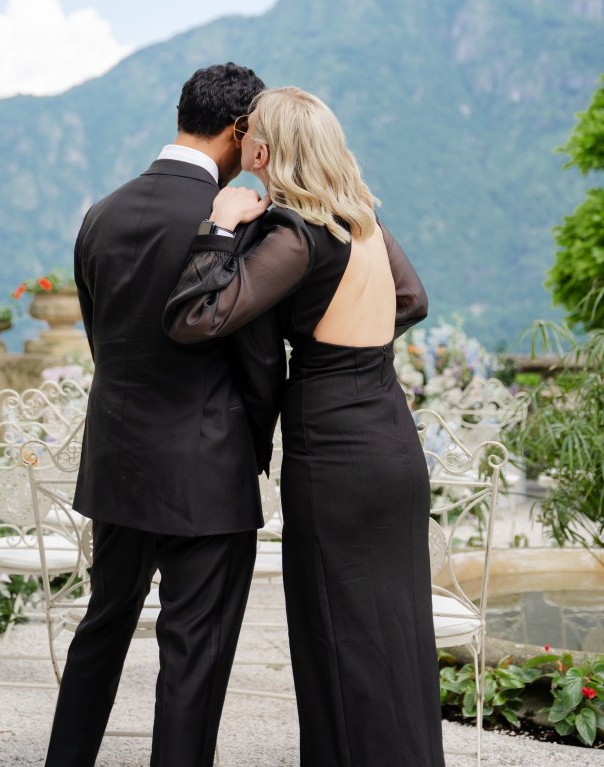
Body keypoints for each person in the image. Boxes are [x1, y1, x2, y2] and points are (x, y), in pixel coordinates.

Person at [163, 87, 446, 767]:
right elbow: (411, 300)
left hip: (335, 452)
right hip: (390, 433)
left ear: (262, 151)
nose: (241, 138)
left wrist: (220, 228)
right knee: (396, 635)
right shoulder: (363, 223)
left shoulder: (295, 235)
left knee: (337, 637)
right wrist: (350, 340)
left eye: (249, 131)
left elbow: (196, 318)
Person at [44, 63, 288, 767]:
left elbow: (101, 339)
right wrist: (256, 447)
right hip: (208, 470)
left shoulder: (102, 213)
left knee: (102, 627)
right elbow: (258, 360)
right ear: (239, 128)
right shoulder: (236, 220)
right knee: (193, 654)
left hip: (117, 461)